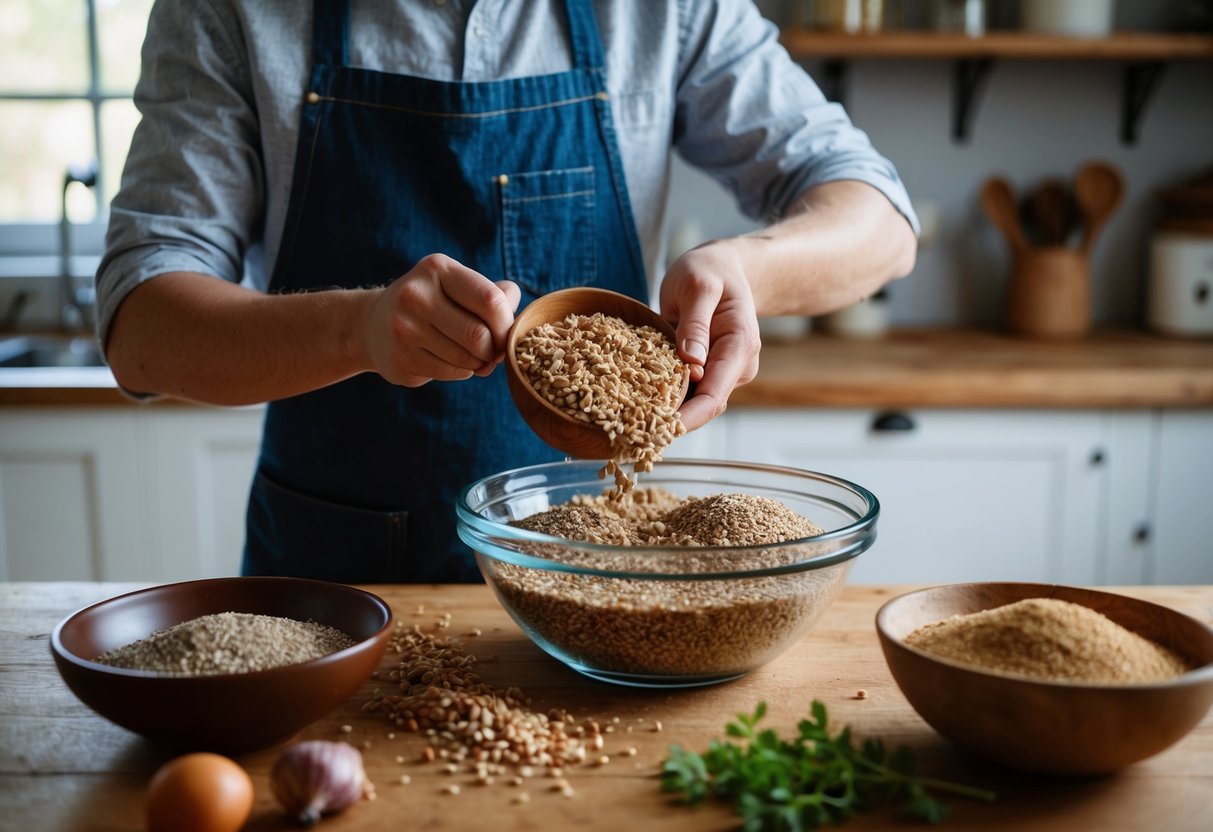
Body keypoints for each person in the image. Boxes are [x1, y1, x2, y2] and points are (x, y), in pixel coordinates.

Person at [97, 0, 918, 583]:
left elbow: (879, 220)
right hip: (334, 582)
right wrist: (360, 327)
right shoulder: (231, 12)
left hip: (589, 569)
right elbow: (141, 328)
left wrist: (748, 268)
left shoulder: (665, 10)